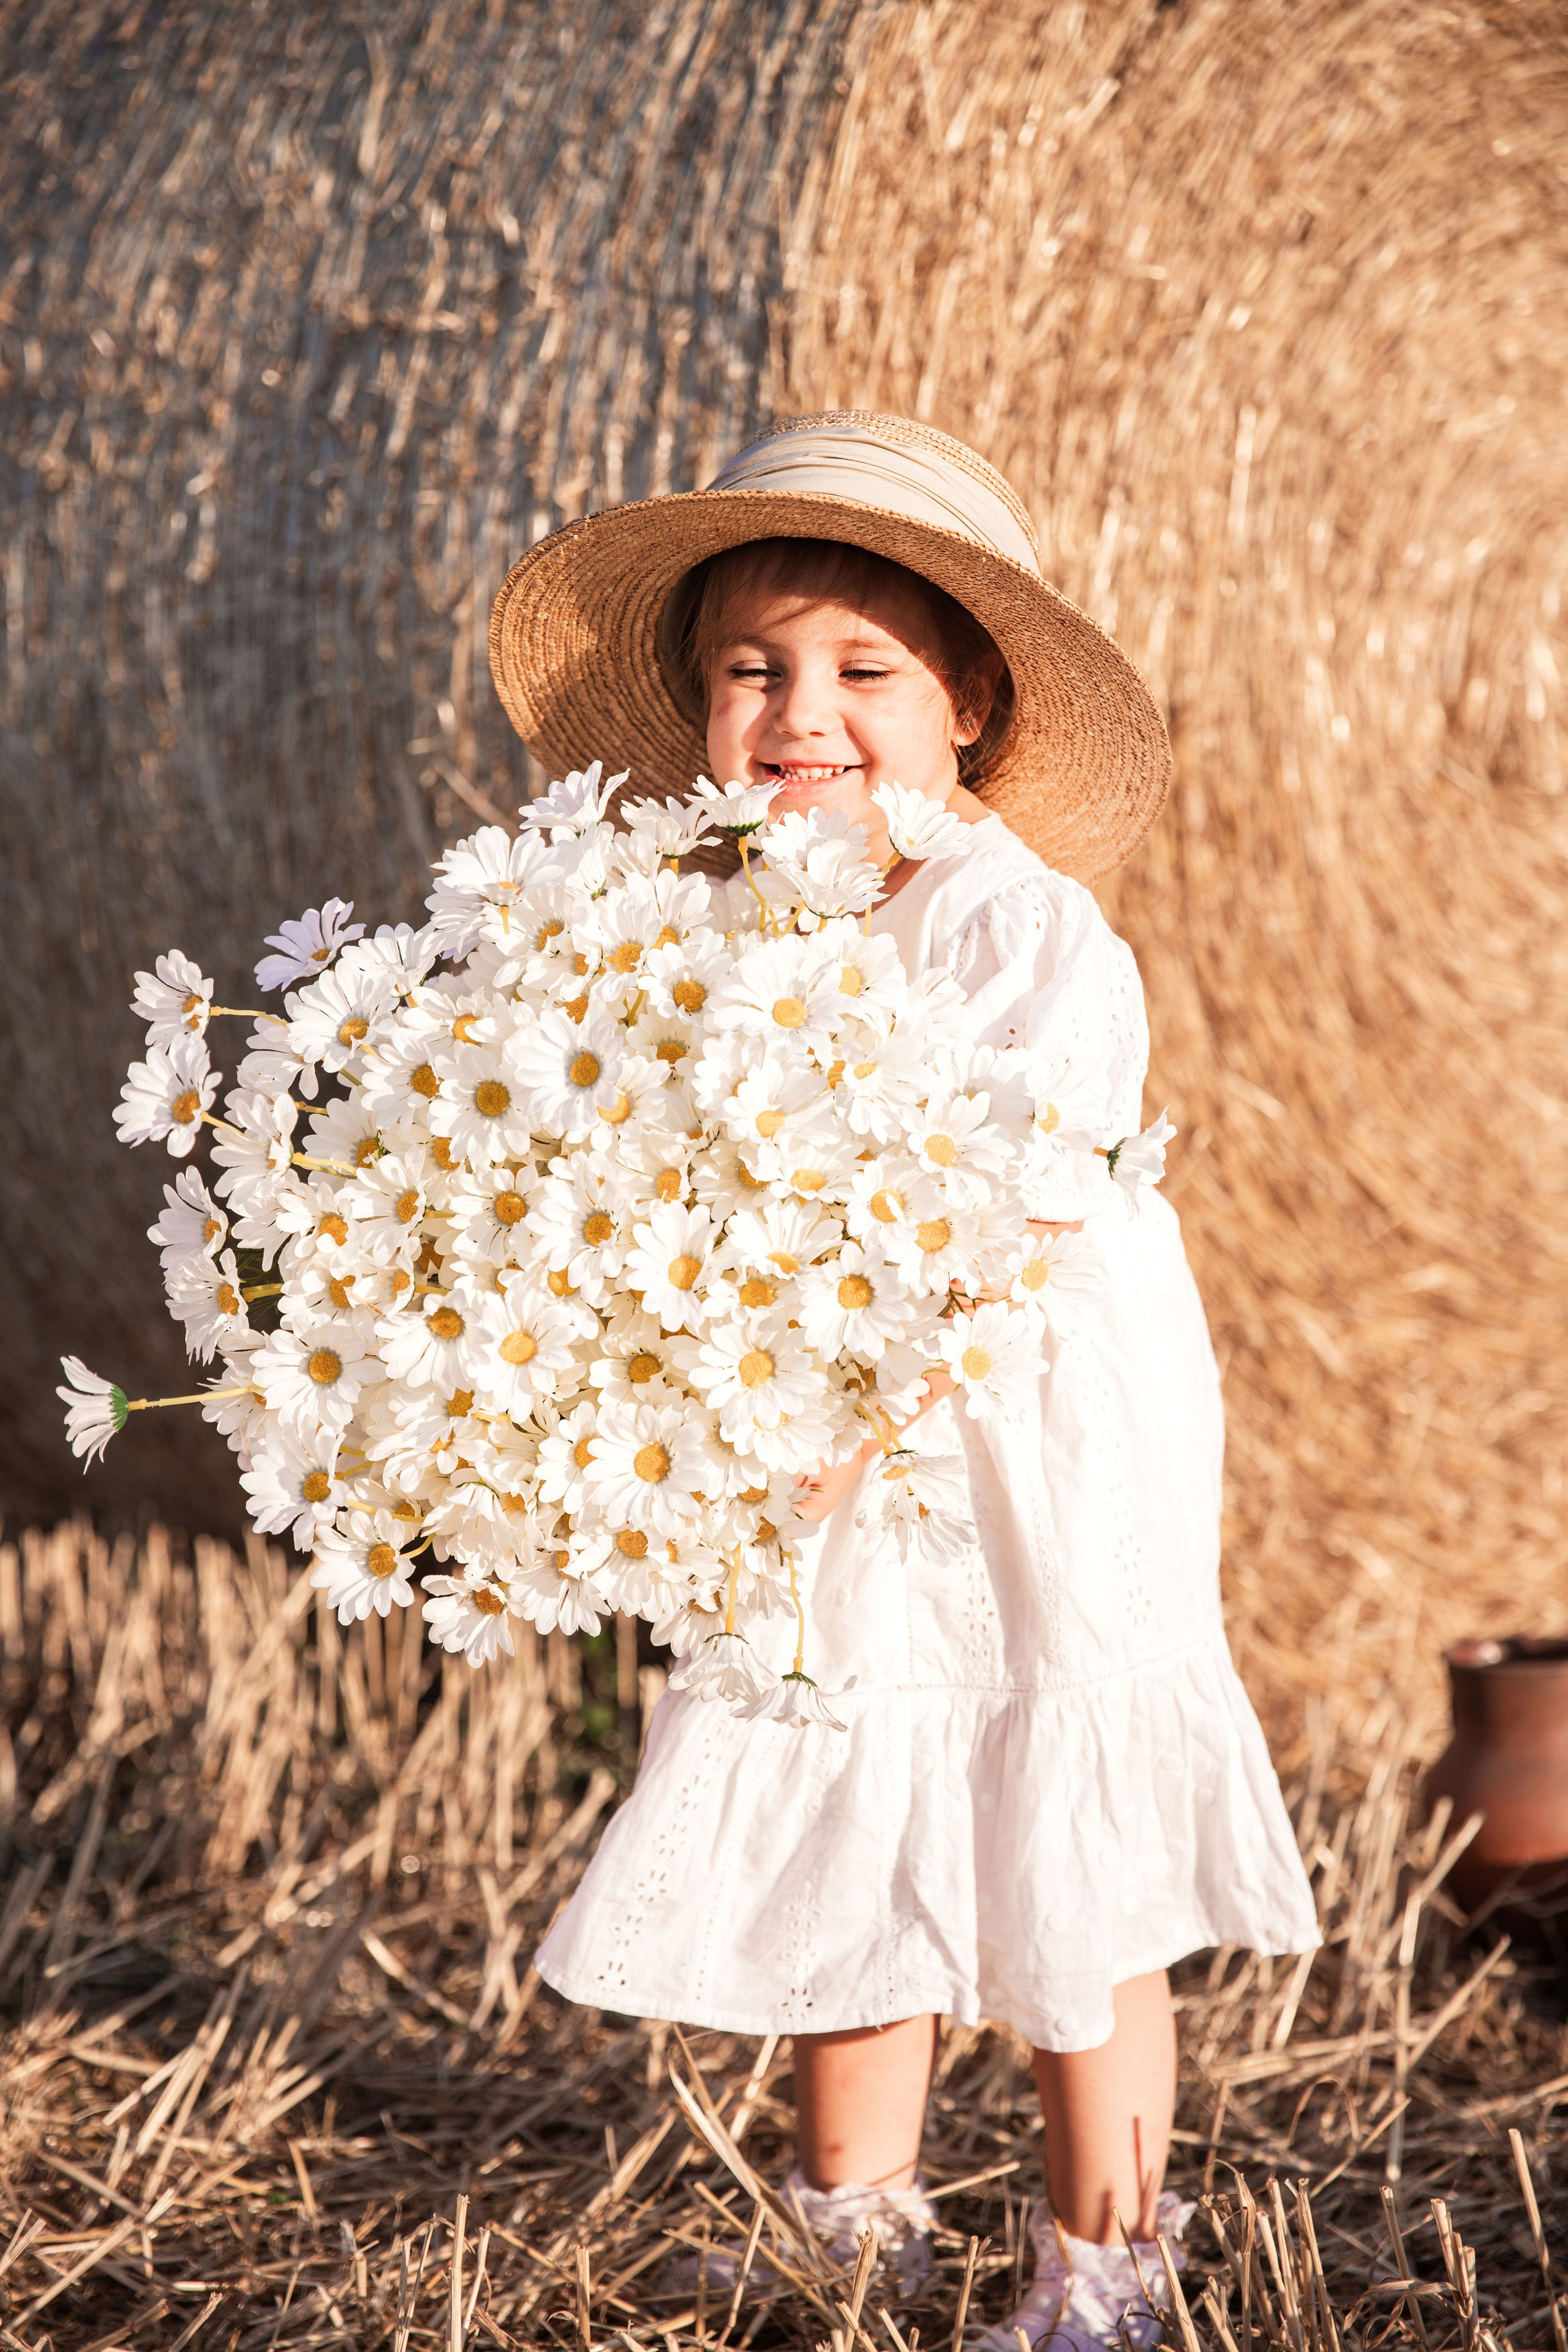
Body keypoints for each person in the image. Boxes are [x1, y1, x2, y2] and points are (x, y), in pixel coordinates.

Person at [486, 413, 1318, 2348]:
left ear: (970, 700)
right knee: (856, 1796)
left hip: (1018, 1451)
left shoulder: (1029, 931)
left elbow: (1005, 1234)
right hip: (818, 1442)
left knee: (1062, 1848)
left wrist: (831, 1440)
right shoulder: (717, 929)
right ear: (700, 707)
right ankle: (855, 2215)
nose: (804, 712)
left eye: (864, 669)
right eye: (751, 671)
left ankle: (1107, 2260)